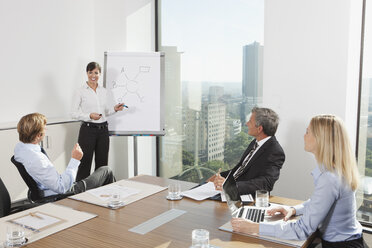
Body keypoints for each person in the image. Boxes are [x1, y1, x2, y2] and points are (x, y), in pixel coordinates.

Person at [231, 115, 365, 247]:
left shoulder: (329, 179)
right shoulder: (333, 171)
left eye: (307, 132)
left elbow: (302, 230)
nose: (304, 136)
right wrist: (293, 210)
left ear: (321, 139)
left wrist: (255, 228)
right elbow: (316, 203)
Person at [14, 113, 115, 197]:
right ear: (38, 136)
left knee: (100, 173)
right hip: (61, 191)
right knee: (106, 171)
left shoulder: (20, 148)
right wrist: (75, 160)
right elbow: (62, 187)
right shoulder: (37, 159)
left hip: (49, 186)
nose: (45, 131)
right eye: (44, 129)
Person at [207, 107, 285, 196]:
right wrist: (218, 177)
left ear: (259, 129)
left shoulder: (275, 151)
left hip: (245, 197)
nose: (246, 124)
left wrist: (232, 186)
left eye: (250, 122)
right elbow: (240, 169)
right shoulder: (255, 143)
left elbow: (266, 183)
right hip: (228, 193)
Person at [71, 62, 124, 181]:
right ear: (87, 73)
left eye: (96, 72)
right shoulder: (80, 91)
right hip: (88, 130)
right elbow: (73, 113)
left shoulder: (104, 91)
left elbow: (105, 112)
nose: (93, 75)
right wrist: (89, 115)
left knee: (102, 164)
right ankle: (81, 193)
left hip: (103, 131)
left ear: (100, 74)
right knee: (84, 163)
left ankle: (101, 192)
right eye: (90, 72)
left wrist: (114, 109)